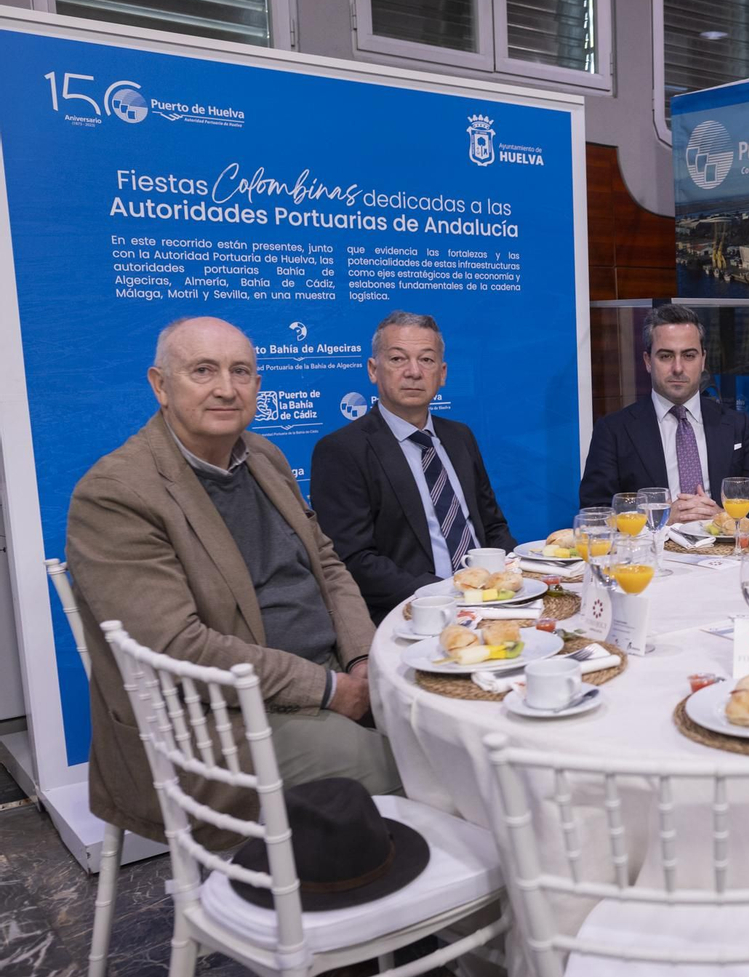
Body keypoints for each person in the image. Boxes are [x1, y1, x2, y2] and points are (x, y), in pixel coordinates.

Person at [66, 317, 400, 848]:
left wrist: (361, 659)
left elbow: (329, 565)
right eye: (203, 370)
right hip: (215, 720)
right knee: (395, 769)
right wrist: (332, 690)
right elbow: (179, 648)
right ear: (160, 385)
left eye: (241, 371)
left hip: (329, 674)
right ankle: (400, 918)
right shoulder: (116, 494)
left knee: (442, 738)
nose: (226, 387)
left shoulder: (263, 456)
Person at [312, 311, 517, 619]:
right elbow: (353, 559)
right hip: (413, 612)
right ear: (373, 369)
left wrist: (513, 573)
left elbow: (492, 525)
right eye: (397, 359)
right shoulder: (342, 450)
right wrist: (447, 593)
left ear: (443, 373)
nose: (413, 372)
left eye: (426, 360)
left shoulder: (460, 436)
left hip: (491, 600)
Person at [579, 304, 749, 522]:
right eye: (666, 356)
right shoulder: (614, 431)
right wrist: (661, 518)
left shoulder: (738, 425)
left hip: (726, 551)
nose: (678, 368)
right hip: (653, 553)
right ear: (647, 361)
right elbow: (593, 513)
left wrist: (723, 517)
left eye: (689, 355)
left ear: (703, 361)